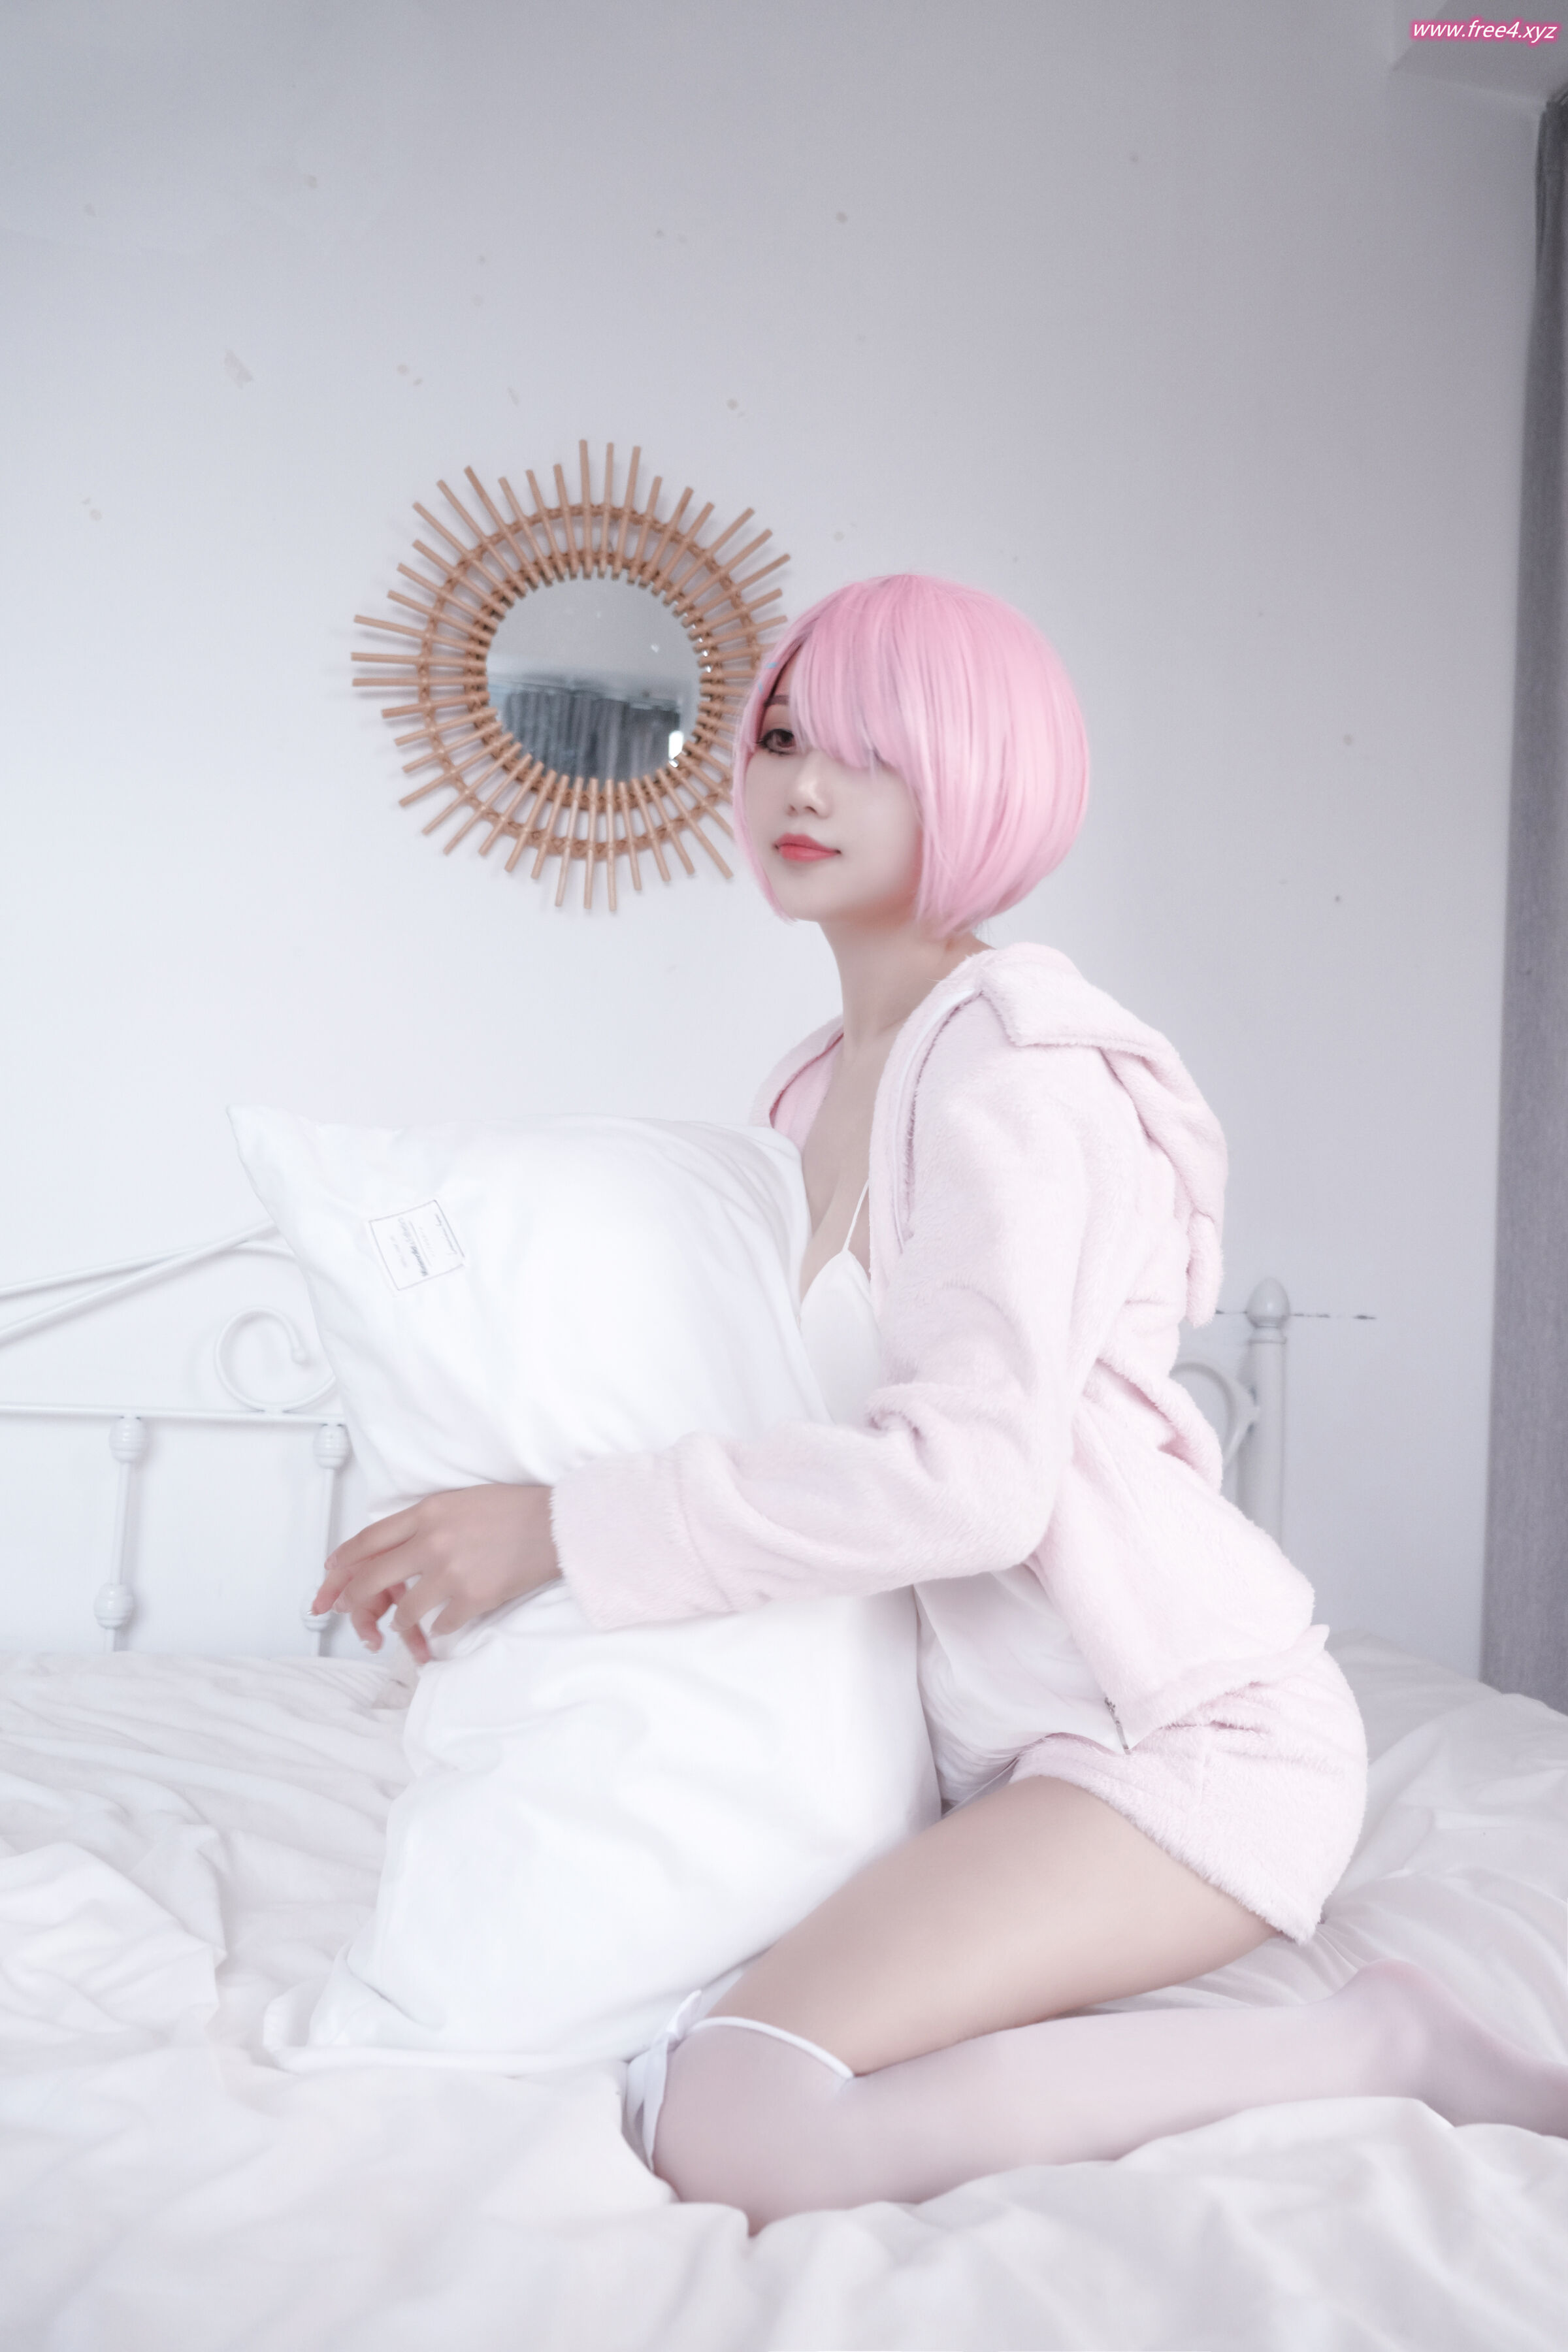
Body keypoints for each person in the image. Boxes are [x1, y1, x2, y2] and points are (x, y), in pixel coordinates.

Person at [314, 574, 1568, 2232]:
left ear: (982, 774)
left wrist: (561, 1531)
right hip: (1010, 1749)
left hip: (1180, 1737)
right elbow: (806, 1427)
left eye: (875, 753)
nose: (803, 785)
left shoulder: (1018, 1072)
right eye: (780, 738)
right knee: (715, 2064)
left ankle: (1374, 2045)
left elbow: (970, 1483)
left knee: (736, 2116)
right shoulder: (812, 1088)